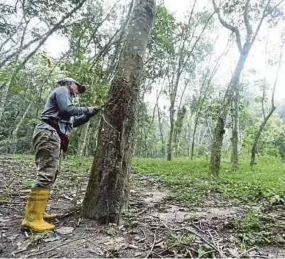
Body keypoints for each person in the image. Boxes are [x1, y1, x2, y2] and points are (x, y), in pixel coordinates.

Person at [22, 77, 101, 232]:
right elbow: (68, 110)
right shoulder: (62, 91)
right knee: (46, 174)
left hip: (54, 135)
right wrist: (87, 108)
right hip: (48, 132)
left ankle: (38, 213)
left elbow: (73, 121)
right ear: (69, 84)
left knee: (51, 174)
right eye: (77, 86)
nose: (78, 90)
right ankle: (32, 219)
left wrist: (89, 114)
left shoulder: (67, 101)